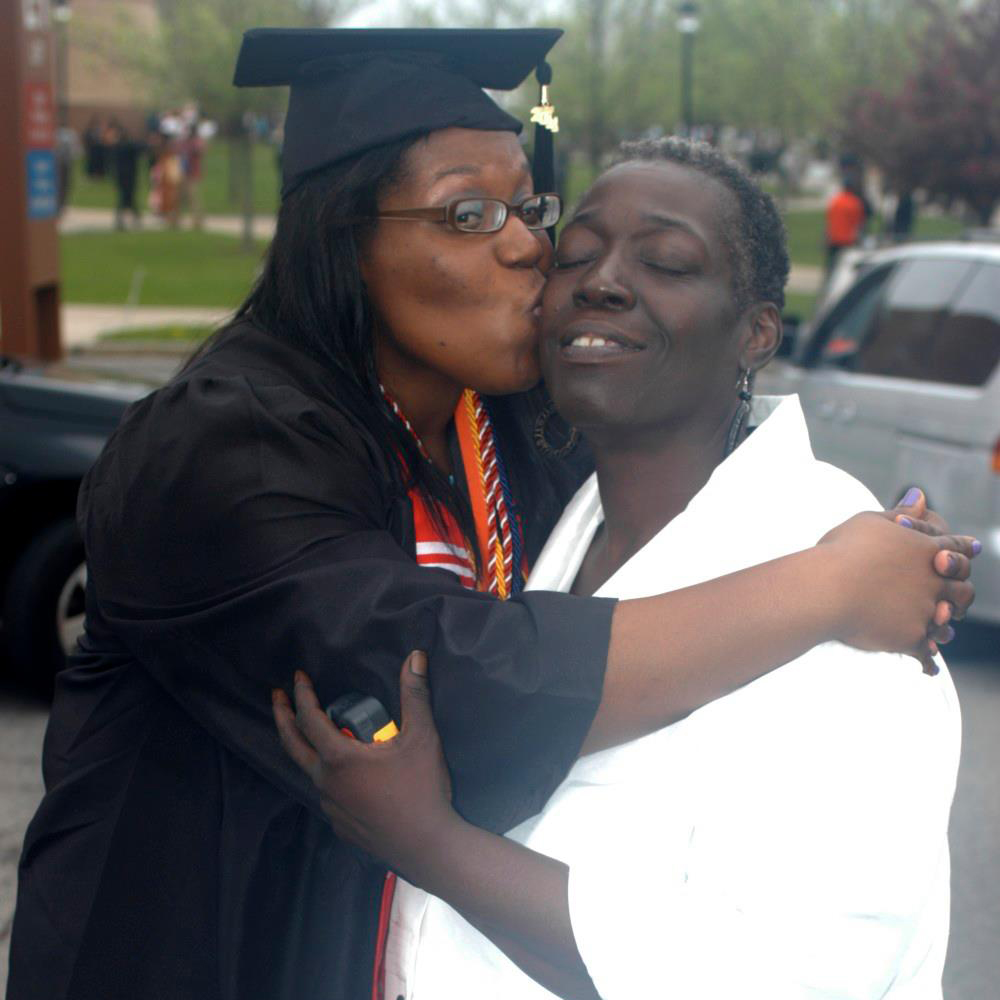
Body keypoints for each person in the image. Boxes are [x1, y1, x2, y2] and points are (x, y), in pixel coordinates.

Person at [8, 29, 974, 1000]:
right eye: (466, 214)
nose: (530, 248)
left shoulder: (511, 429)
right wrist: (827, 585)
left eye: (525, 207)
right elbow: (452, 690)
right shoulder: (222, 448)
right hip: (191, 949)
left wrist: (869, 548)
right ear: (345, 245)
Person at [275, 139, 972, 1000]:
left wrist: (430, 846)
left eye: (668, 261)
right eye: (575, 254)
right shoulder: (552, 535)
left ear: (757, 330)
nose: (600, 280)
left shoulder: (856, 607)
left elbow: (789, 976)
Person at [825, 176, 867, 271]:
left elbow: (829, 220)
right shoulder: (855, 203)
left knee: (832, 265)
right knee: (844, 268)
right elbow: (859, 223)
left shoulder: (835, 201)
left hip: (834, 239)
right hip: (848, 240)